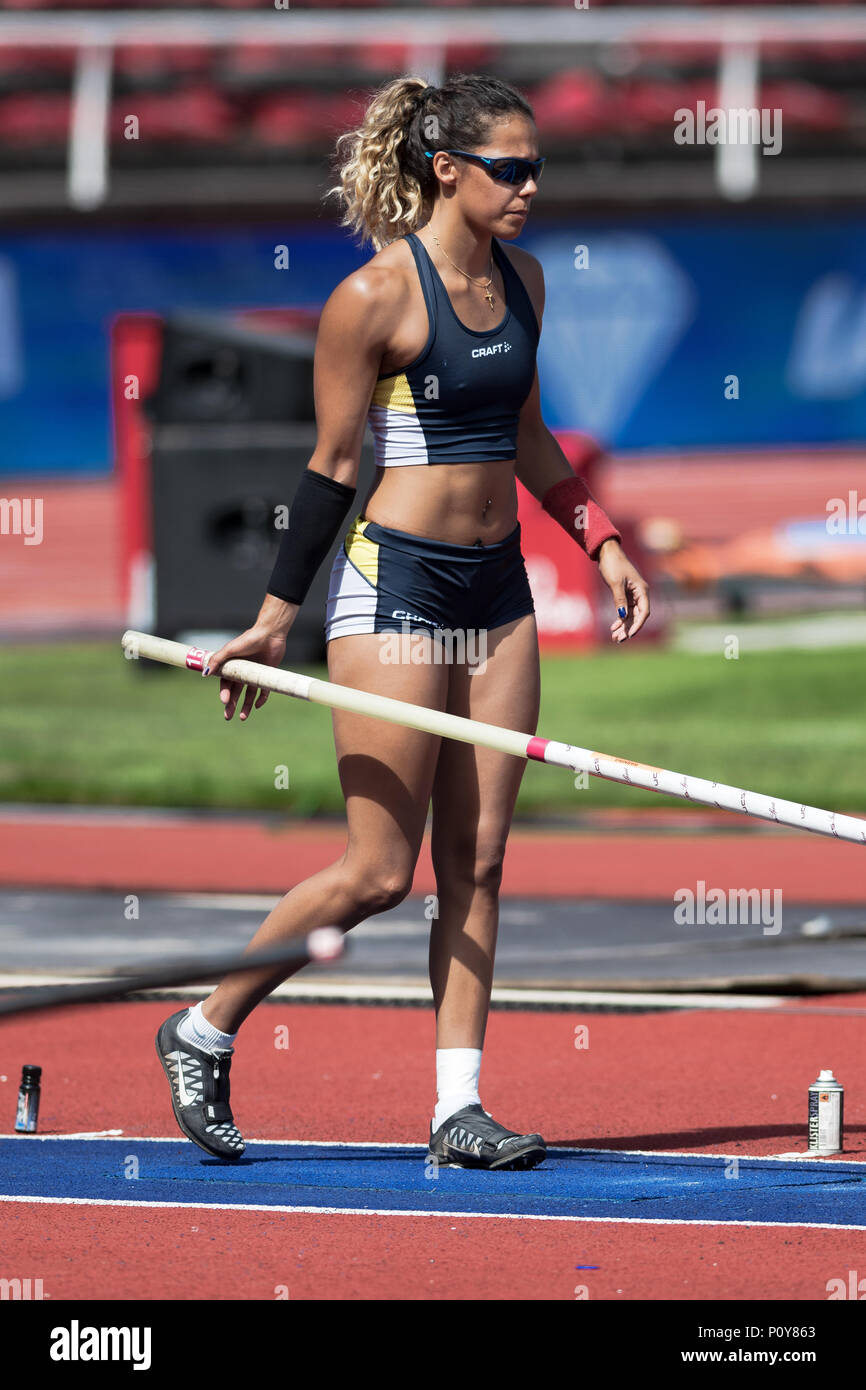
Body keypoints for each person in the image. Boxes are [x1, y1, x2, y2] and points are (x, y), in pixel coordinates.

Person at [156, 72, 649, 1170]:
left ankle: (455, 1106)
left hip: (497, 590)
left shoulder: (523, 279)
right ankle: (202, 1028)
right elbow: (331, 470)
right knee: (381, 869)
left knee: (476, 862)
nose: (528, 188)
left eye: (535, 167)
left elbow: (527, 436)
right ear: (446, 170)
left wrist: (598, 537)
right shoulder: (372, 298)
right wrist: (273, 618)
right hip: (395, 588)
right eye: (507, 169)